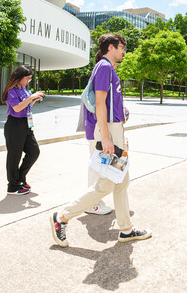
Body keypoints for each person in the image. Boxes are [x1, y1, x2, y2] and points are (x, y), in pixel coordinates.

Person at [51, 33, 151, 247]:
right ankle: (62, 217)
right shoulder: (105, 68)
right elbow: (99, 104)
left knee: (122, 180)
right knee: (106, 183)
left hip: (115, 130)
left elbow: (109, 105)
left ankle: (126, 229)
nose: (124, 51)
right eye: (122, 47)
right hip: (109, 132)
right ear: (112, 47)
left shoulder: (106, 68)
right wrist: (107, 138)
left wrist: (119, 133)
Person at [1, 65, 44, 195]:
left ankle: (20, 178)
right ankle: (13, 186)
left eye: (30, 79)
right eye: (27, 78)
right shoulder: (11, 91)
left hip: (26, 124)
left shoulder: (23, 88)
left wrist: (34, 99)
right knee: (15, 156)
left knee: (34, 151)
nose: (28, 81)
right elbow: (18, 108)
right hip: (14, 125)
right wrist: (31, 97)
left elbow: (26, 106)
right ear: (19, 77)